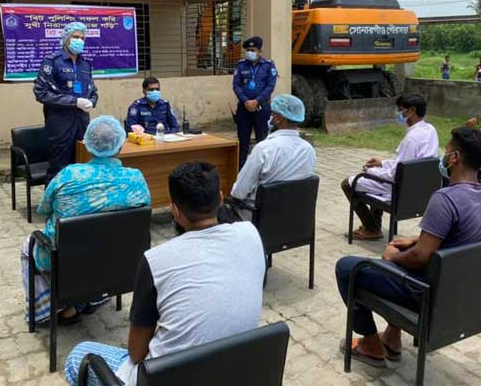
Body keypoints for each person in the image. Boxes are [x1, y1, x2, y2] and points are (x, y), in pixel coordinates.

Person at [64, 162, 266, 386]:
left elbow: (136, 353)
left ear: (175, 211)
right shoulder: (251, 233)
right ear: (220, 198)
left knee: (78, 355)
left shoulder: (157, 260)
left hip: (169, 377)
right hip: (230, 369)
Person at [336, 127, 481, 367]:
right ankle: (392, 338)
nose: (444, 155)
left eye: (448, 150)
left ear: (455, 158)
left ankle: (371, 346)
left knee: (348, 267)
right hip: (467, 293)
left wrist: (393, 257)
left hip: (427, 293)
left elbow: (420, 257)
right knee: (405, 250)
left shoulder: (445, 199)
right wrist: (416, 240)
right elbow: (462, 238)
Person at [21, 116, 150, 325]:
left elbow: (44, 209)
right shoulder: (136, 178)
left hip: (67, 263)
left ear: (88, 145)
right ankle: (92, 298)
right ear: (120, 145)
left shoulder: (68, 175)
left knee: (30, 244)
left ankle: (51, 310)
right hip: (119, 262)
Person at [341, 94, 439, 241]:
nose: (398, 114)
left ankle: (371, 228)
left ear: (411, 111)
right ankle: (375, 224)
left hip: (400, 190)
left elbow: (395, 175)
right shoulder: (430, 130)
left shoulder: (412, 139)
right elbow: (408, 163)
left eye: (400, 110)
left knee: (349, 183)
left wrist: (372, 171)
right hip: (419, 188)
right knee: (375, 179)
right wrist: (382, 163)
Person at [220, 94, 316, 222]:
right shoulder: (308, 149)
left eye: (272, 114)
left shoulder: (264, 149)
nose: (269, 117)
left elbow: (239, 193)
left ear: (278, 118)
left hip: (259, 217)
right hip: (295, 219)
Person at [34, 22, 98, 184]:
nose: (79, 40)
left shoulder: (85, 64)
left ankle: (76, 204)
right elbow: (41, 92)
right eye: (75, 37)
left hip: (82, 123)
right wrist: (74, 101)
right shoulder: (52, 62)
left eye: (82, 38)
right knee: (59, 168)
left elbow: (93, 91)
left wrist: (91, 101)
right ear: (66, 39)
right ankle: (53, 206)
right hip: (60, 124)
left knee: (82, 165)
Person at [232, 36, 278, 168]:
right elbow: (236, 86)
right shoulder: (240, 65)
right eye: (247, 50)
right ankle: (241, 169)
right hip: (244, 109)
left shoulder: (269, 65)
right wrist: (246, 101)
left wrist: (256, 101)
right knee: (243, 141)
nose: (249, 52)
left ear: (259, 51)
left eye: (252, 50)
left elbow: (270, 86)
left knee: (262, 141)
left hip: (261, 109)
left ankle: (262, 169)